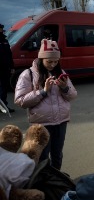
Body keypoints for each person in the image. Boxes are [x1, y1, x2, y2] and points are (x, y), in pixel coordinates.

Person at [14, 39, 77, 170]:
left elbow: (73, 95)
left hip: (61, 121)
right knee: (42, 156)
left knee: (57, 154)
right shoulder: (28, 74)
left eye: (56, 61)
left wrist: (65, 88)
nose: (53, 64)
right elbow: (20, 100)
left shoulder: (61, 72)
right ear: (41, 58)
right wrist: (43, 91)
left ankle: (56, 179)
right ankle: (43, 181)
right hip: (41, 124)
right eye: (49, 61)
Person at [0, 24, 15, 113]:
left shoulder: (5, 41)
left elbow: (9, 55)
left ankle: (4, 106)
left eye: (1, 28)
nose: (1, 30)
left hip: (5, 68)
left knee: (4, 88)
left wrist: (12, 67)